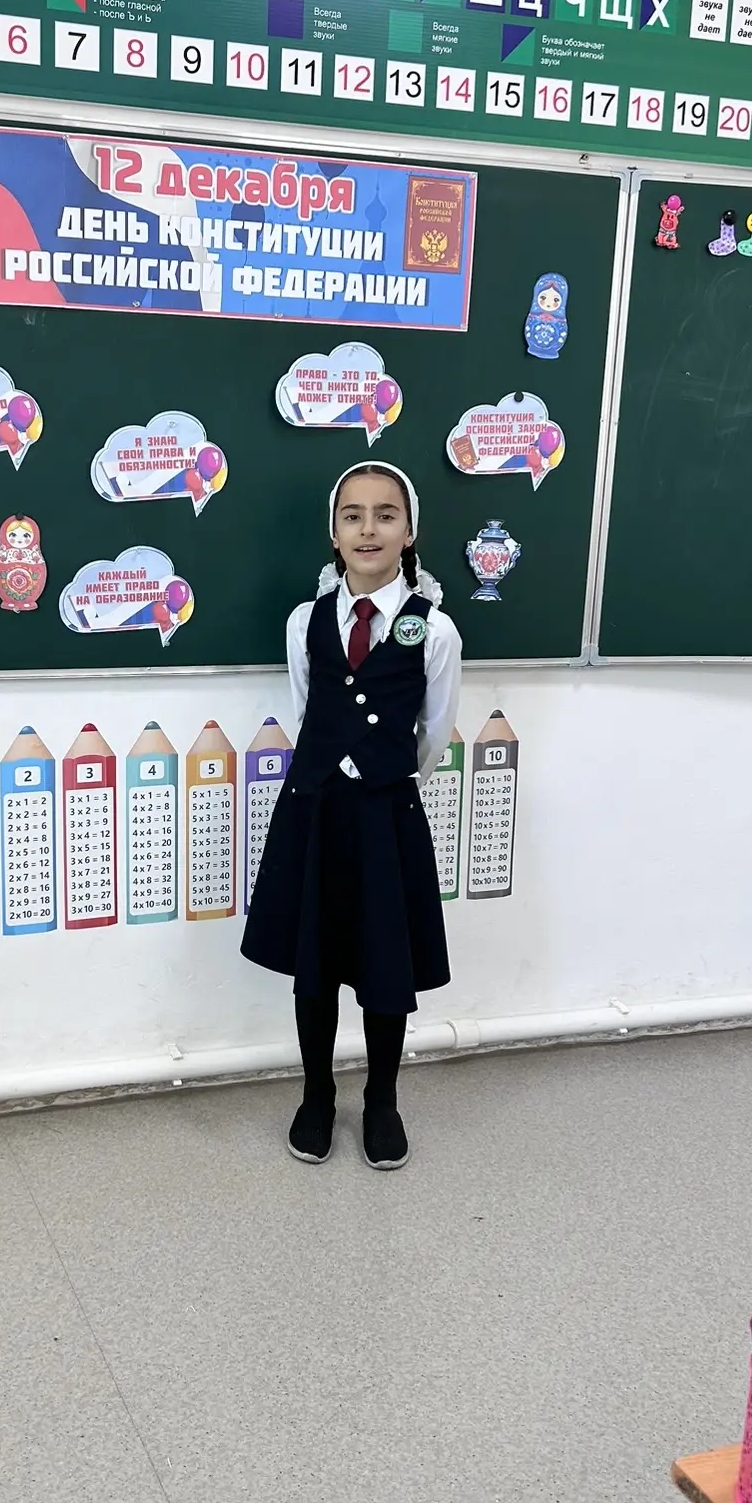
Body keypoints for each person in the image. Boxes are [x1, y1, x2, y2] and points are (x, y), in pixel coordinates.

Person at [242, 464, 461, 1170]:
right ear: (334, 533)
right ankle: (316, 1095)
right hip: (315, 810)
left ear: (410, 530)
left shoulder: (435, 630)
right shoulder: (305, 621)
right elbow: (308, 710)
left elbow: (433, 735)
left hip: (385, 817)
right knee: (316, 961)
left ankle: (382, 1101)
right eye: (353, 515)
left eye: (386, 515)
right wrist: (334, 771)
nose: (369, 529)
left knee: (383, 962)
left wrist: (381, 779)